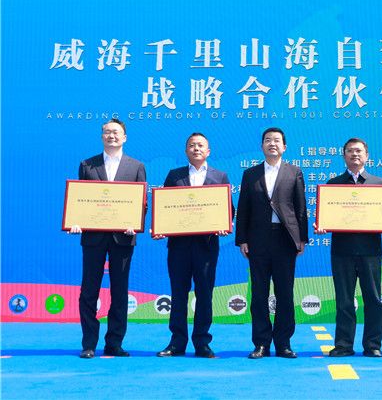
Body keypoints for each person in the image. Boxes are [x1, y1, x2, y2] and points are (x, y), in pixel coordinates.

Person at [71, 119, 146, 359]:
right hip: (93, 237)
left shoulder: (136, 166)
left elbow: (142, 203)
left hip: (123, 238)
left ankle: (114, 342)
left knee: (120, 291)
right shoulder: (87, 165)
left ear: (124, 137)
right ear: (102, 136)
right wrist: (76, 220)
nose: (111, 136)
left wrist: (135, 223)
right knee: (89, 290)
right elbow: (80, 199)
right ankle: (89, 343)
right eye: (107, 132)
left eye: (116, 132)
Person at [315, 138, 382, 358]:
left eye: (359, 151)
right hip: (342, 251)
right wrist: (322, 225)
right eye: (350, 151)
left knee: (374, 299)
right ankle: (343, 345)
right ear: (344, 156)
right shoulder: (333, 184)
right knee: (344, 300)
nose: (355, 154)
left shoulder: (379, 183)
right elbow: (327, 217)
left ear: (367, 155)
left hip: (370, 250)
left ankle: (372, 344)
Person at [155, 133, 232, 359]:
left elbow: (229, 209)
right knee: (178, 293)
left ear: (208, 151)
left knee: (204, 294)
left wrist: (224, 223)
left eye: (200, 145)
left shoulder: (220, 176)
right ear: (186, 150)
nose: (196, 148)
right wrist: (161, 226)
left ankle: (202, 342)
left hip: (206, 246)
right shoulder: (174, 175)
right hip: (179, 246)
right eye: (191, 145)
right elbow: (165, 208)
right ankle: (177, 342)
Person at [235, 127, 308, 359]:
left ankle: (283, 343)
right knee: (259, 293)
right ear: (262, 146)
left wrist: (301, 238)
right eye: (268, 140)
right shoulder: (250, 174)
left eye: (277, 140)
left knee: (285, 292)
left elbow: (301, 207)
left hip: (285, 239)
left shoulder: (294, 172)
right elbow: (243, 208)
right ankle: (261, 343)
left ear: (284, 147)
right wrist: (242, 239)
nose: (272, 144)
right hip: (258, 239)